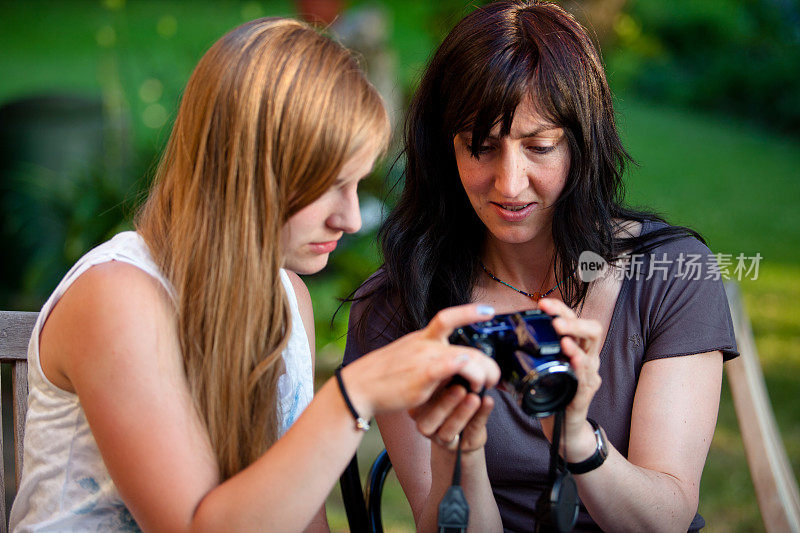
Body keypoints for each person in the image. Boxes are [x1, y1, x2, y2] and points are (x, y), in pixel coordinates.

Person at [9, 17, 500, 532]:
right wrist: (355, 393)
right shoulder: (121, 297)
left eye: (356, 185)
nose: (350, 219)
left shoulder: (288, 299)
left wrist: (454, 447)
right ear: (247, 174)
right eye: (327, 186)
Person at [344, 1, 739, 531]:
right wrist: (458, 451)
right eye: (480, 147)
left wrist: (575, 436)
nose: (509, 184)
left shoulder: (669, 273)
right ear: (444, 150)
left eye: (541, 147)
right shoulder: (399, 304)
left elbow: (664, 519)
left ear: (583, 145)